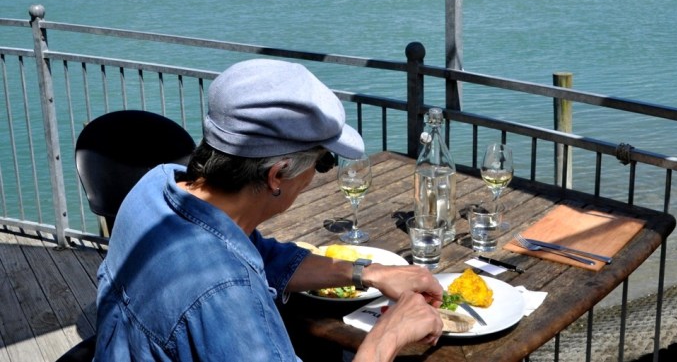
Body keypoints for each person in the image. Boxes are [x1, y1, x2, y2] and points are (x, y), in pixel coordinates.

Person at [94, 59, 444, 361]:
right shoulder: (227, 292)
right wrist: (388, 335)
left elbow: (261, 255)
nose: (314, 177)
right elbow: (229, 282)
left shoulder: (156, 186)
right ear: (277, 174)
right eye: (323, 163)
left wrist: (369, 273)